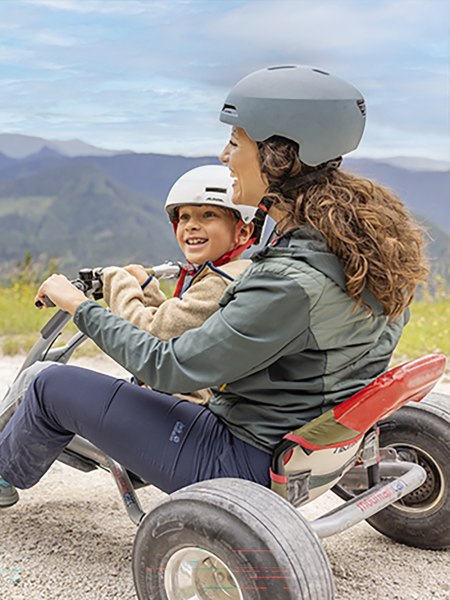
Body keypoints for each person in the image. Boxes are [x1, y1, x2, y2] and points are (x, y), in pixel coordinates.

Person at [0, 65, 428, 509]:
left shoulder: (290, 281)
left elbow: (166, 367)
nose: (225, 156)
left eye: (235, 141)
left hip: (241, 457)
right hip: (298, 443)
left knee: (51, 384)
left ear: (276, 154)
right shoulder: (365, 249)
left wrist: (80, 308)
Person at [0, 165, 256, 432]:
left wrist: (116, 280)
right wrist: (147, 288)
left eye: (208, 214)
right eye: (184, 217)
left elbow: (152, 337)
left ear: (243, 232)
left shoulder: (221, 283)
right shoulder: (233, 275)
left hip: (180, 416)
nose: (191, 225)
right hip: (185, 406)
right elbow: (178, 330)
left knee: (39, 379)